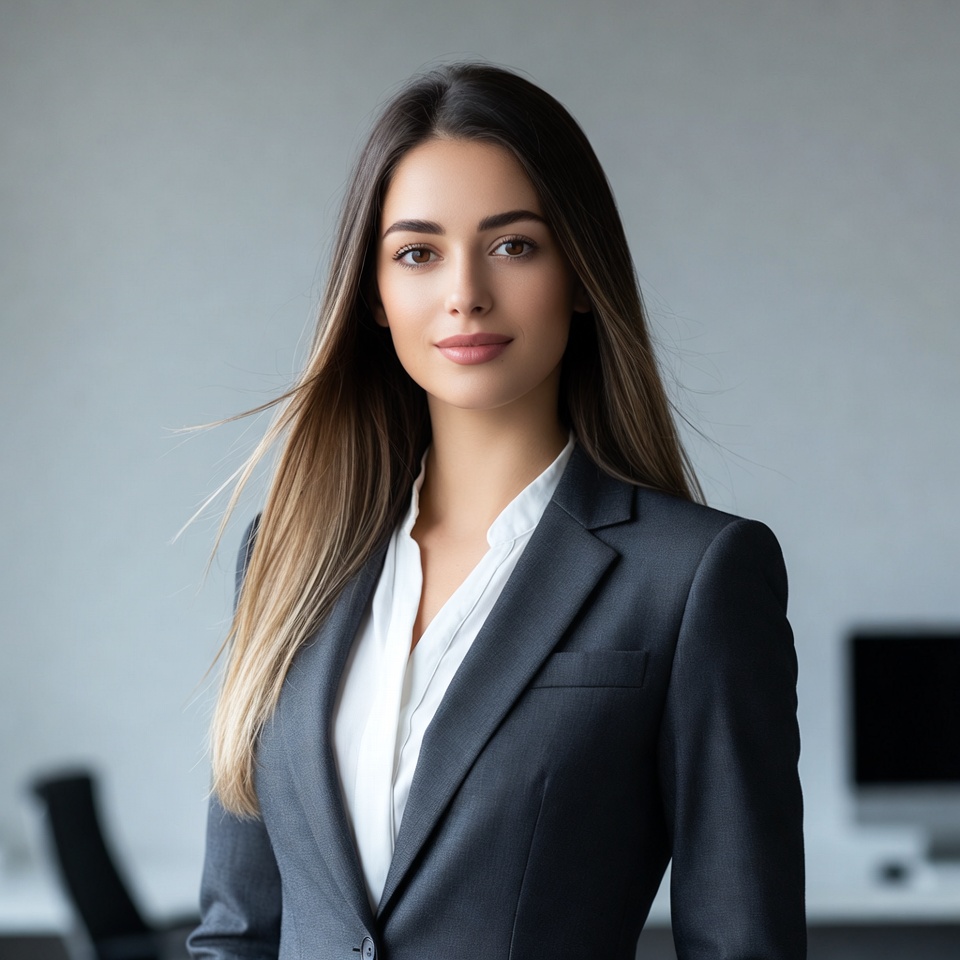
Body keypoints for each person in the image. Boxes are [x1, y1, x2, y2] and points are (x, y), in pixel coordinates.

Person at [188, 63, 805, 960]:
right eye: (418, 252)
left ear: (583, 274)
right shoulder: (284, 558)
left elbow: (742, 943)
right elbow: (238, 933)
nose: (464, 292)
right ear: (374, 294)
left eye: (514, 245)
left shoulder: (692, 579)